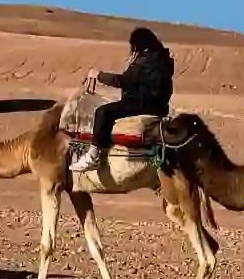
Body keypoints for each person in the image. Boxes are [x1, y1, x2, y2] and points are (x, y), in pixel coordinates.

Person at [70, 27, 175, 171]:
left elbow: (124, 81)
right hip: (159, 106)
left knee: (103, 112)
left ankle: (93, 156)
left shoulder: (145, 61)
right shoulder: (162, 59)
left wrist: (98, 75)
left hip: (143, 103)